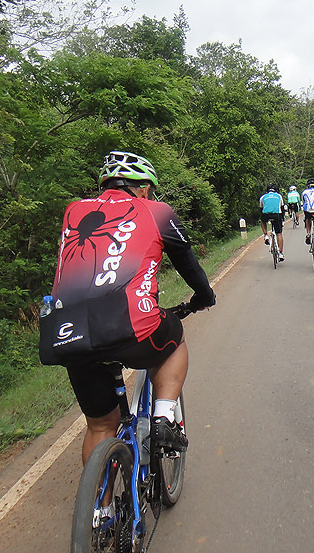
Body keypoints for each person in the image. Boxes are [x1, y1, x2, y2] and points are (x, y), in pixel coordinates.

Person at [47, 151, 216, 466]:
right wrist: (204, 297)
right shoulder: (157, 211)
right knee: (175, 339)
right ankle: (164, 418)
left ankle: (101, 496)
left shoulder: (74, 210)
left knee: (100, 425)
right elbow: (188, 265)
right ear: (144, 188)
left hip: (68, 332)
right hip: (132, 325)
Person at [260, 184, 285, 261]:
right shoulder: (279, 196)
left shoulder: (263, 197)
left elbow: (261, 209)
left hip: (266, 215)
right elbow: (282, 208)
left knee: (262, 221)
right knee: (279, 233)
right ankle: (280, 253)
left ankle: (265, 235)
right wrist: (282, 219)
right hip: (277, 215)